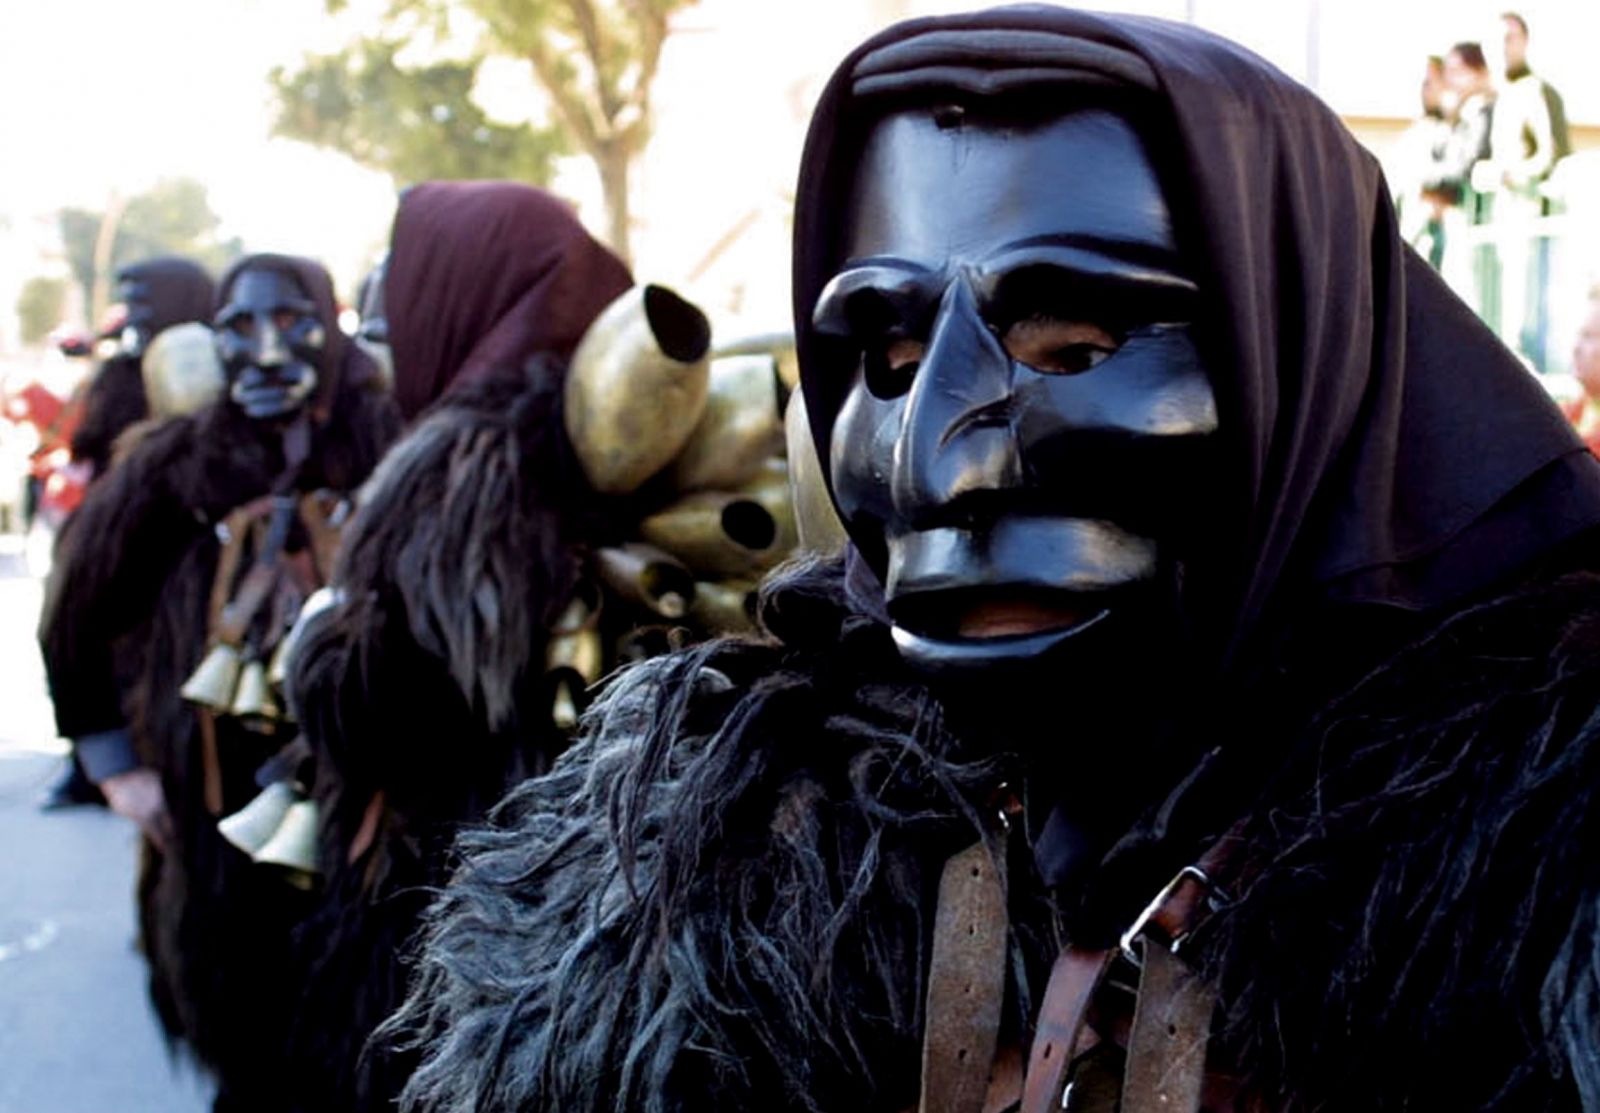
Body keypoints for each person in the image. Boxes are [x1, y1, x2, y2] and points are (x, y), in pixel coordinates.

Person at [388, 9, 1600, 1113]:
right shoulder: (728, 871)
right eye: (895, 363)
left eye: (1072, 345)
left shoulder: (1534, 875)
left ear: (1303, 353)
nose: (936, 467)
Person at [280, 181, 793, 1112]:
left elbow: (388, 703)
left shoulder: (461, 467)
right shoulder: (604, 437)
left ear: (461, 291)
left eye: (403, 284)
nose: (383, 320)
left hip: (455, 896)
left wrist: (316, 635)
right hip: (604, 885)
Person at [38, 253, 399, 1112]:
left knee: (370, 1040)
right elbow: (76, 612)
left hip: (369, 810)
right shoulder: (177, 464)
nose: (268, 354)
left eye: (291, 325)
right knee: (245, 1042)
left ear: (332, 329)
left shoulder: (388, 441)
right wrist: (112, 761)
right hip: (214, 812)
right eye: (241, 329)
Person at [40, 255, 216, 810]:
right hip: (121, 513)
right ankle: (89, 766)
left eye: (145, 299)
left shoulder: (214, 363)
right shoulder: (120, 372)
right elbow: (89, 440)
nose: (134, 312)